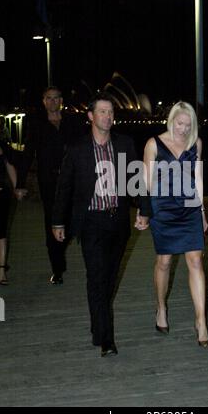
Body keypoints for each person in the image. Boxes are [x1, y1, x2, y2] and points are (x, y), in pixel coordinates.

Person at [52, 93, 150, 357]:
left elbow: (135, 179)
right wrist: (58, 221)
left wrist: (143, 208)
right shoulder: (77, 149)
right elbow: (65, 188)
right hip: (91, 223)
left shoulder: (124, 144)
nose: (108, 116)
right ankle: (107, 340)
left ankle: (98, 325)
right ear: (91, 116)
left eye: (111, 112)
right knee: (96, 276)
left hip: (117, 221)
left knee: (108, 279)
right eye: (103, 112)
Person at [142, 101, 208, 348]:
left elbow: (198, 179)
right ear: (171, 121)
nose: (183, 129)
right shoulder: (153, 144)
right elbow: (146, 183)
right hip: (163, 210)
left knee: (195, 261)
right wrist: (145, 212)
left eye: (188, 125)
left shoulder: (196, 144)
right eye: (179, 123)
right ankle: (161, 307)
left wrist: (202, 211)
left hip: (190, 208)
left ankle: (201, 323)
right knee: (165, 261)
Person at [15, 86, 85, 284]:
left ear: (61, 100)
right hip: (49, 181)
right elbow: (28, 153)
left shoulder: (72, 122)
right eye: (49, 98)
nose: (53, 101)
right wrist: (20, 183)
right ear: (44, 101)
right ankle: (57, 267)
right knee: (51, 222)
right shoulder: (37, 124)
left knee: (72, 221)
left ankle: (60, 248)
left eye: (56, 98)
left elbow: (83, 149)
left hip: (72, 180)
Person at [0, 139, 21, 284]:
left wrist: (16, 188)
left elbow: (10, 166)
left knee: (1, 233)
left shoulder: (1, 145)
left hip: (1, 194)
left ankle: (1, 272)